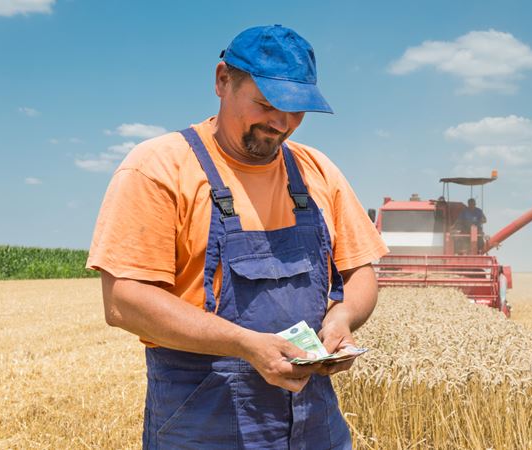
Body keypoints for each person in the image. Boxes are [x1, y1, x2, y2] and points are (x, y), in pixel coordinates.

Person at [86, 25, 388, 449]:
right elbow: (124, 301)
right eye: (266, 104)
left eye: (297, 110)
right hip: (202, 418)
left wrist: (342, 318)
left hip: (315, 423)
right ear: (223, 80)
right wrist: (245, 345)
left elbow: (361, 273)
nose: (281, 124)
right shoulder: (159, 167)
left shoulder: (316, 170)